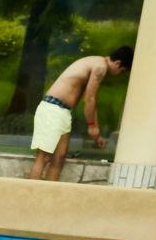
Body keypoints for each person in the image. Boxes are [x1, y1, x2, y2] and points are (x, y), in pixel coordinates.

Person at [30, 46, 132, 181]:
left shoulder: (97, 63)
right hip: (52, 108)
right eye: (122, 70)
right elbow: (89, 99)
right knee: (43, 157)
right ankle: (29, 198)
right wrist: (92, 126)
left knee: (59, 158)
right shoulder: (100, 67)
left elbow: (92, 101)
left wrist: (95, 129)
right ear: (118, 63)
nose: (120, 74)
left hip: (63, 112)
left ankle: (50, 196)